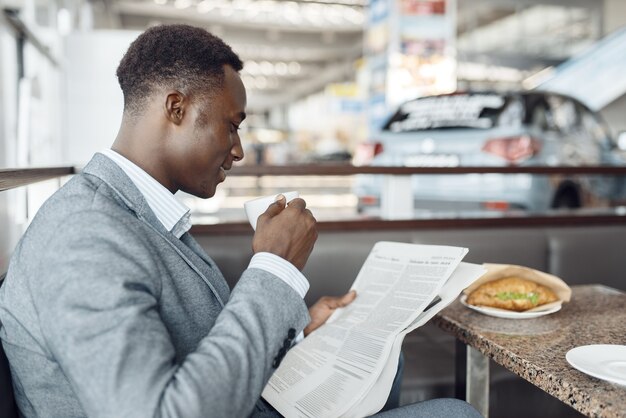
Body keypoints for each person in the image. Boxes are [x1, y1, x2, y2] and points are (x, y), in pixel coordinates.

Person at [0, 24, 481, 418]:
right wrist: (274, 270)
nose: (239, 150)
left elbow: (191, 338)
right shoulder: (82, 236)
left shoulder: (138, 210)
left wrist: (297, 327)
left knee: (380, 363)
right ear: (176, 108)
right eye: (232, 124)